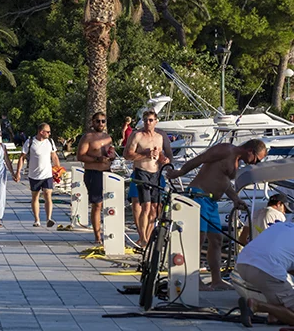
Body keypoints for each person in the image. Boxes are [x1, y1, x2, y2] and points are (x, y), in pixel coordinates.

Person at [167, 138, 267, 290]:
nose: (255, 164)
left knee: (217, 240)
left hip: (212, 202)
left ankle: (216, 279)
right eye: (257, 160)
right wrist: (180, 172)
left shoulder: (236, 160)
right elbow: (200, 159)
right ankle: (194, 278)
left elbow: (223, 181)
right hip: (199, 196)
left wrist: (235, 198)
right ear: (250, 151)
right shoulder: (226, 150)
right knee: (198, 240)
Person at [123, 111, 173, 246]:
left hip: (156, 173)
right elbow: (127, 155)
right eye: (145, 120)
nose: (148, 123)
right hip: (142, 172)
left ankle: (148, 235)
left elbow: (161, 154)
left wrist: (164, 159)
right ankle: (143, 237)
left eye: (150, 120)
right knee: (144, 206)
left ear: (156, 121)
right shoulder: (137, 135)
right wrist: (144, 154)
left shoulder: (159, 137)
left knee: (155, 207)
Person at [236, 221, 294, 327]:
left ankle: (274, 316)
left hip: (242, 263)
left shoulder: (281, 225)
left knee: (276, 284)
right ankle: (257, 305)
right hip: (265, 269)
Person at [77, 112, 116, 243]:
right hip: (93, 173)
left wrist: (111, 155)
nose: (101, 124)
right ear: (93, 122)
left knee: (109, 203)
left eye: (103, 121)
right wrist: (97, 159)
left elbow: (111, 153)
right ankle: (97, 236)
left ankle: (110, 232)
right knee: (97, 204)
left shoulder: (108, 138)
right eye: (98, 121)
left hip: (107, 172)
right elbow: (80, 156)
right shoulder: (88, 137)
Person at [16, 123, 61, 228]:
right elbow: (22, 157)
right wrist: (18, 172)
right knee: (35, 196)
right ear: (41, 132)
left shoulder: (50, 142)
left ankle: (49, 218)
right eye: (48, 132)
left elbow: (54, 156)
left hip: (47, 174)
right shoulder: (30, 142)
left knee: (47, 194)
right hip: (34, 174)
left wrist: (58, 169)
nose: (50, 134)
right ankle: (37, 219)